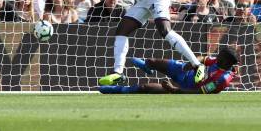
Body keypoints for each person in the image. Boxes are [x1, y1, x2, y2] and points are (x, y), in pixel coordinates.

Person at [100, 47, 238, 94]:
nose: (217, 56)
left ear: (226, 62)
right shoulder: (219, 60)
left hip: (187, 88)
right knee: (152, 61)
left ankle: (115, 89)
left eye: (220, 56)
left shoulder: (223, 79)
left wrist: (174, 90)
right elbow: (203, 59)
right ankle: (148, 67)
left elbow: (199, 92)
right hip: (184, 72)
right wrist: (193, 62)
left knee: (144, 87)